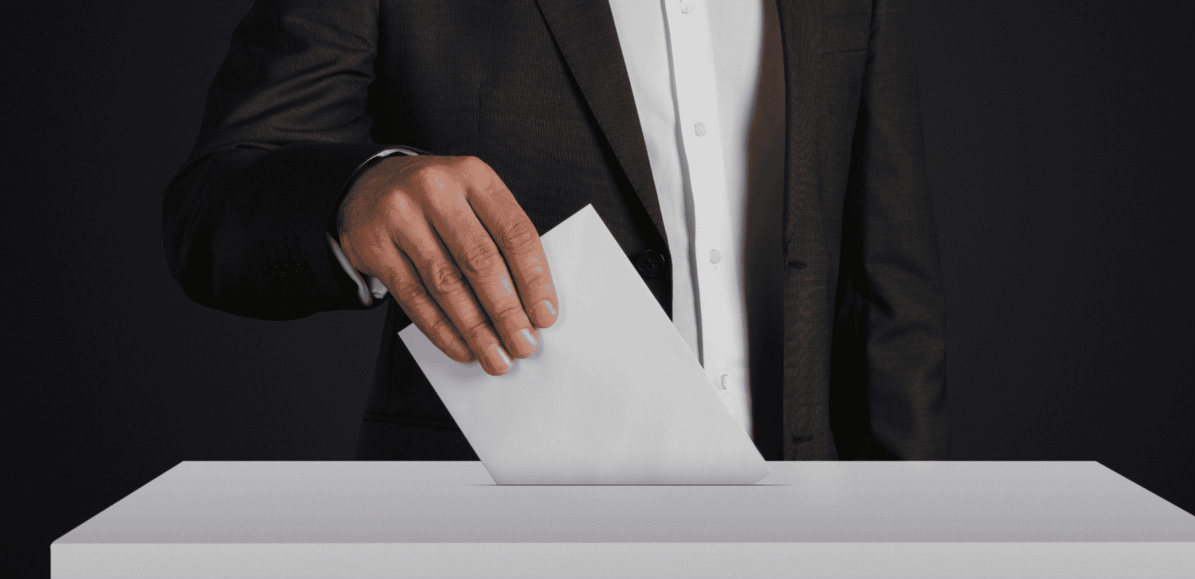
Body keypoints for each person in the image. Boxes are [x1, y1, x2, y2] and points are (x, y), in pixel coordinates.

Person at [164, 0, 947, 462]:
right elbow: (213, 204)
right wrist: (356, 193)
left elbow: (889, 297)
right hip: (490, 547)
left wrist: (914, 558)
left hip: (792, 549)